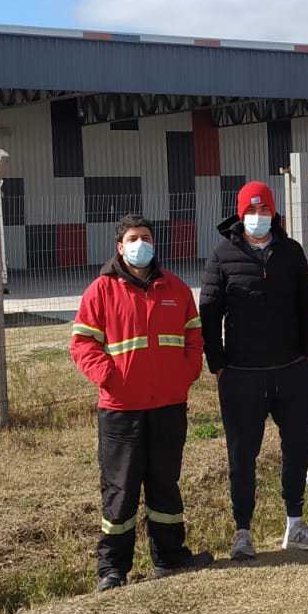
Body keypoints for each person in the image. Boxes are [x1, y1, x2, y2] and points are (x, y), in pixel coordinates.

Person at [70, 214, 216, 591]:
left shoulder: (177, 289)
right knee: (120, 490)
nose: (141, 244)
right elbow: (82, 344)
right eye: (133, 238)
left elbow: (193, 338)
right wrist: (108, 377)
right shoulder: (100, 291)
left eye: (146, 237)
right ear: (120, 247)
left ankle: (170, 557)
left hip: (168, 406)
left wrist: (186, 374)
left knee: (165, 484)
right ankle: (113, 569)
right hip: (121, 411)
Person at [200, 180, 308, 559]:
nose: (258, 217)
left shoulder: (291, 252)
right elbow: (209, 313)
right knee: (242, 455)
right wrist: (218, 364)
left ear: (275, 214)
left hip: (292, 371)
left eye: (264, 210)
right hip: (241, 375)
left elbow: (307, 305)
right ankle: (243, 532)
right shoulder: (222, 255)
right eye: (252, 211)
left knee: (299, 448)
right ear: (241, 215)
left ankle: (296, 524)